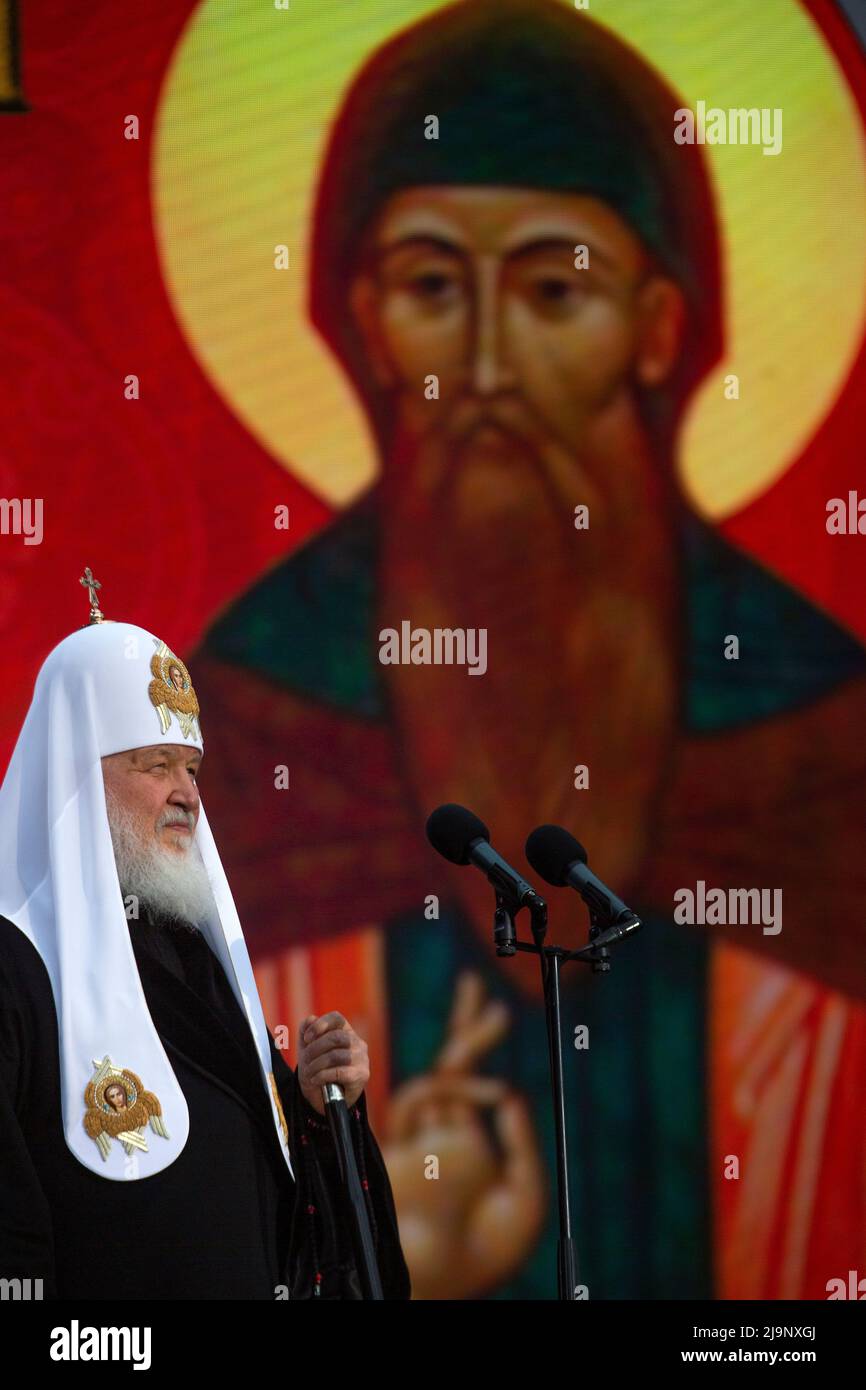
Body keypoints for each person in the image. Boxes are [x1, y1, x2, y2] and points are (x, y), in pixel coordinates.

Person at [189, 0, 866, 1298]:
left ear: (659, 327)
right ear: (364, 324)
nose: (488, 363)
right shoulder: (254, 710)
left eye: (555, 288)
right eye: (433, 286)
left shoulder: (818, 726)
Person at [0, 587, 410, 1300]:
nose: (187, 793)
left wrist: (314, 1109)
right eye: (155, 765)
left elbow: (272, 1198)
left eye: (193, 768)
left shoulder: (194, 958)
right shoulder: (12, 964)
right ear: (74, 779)